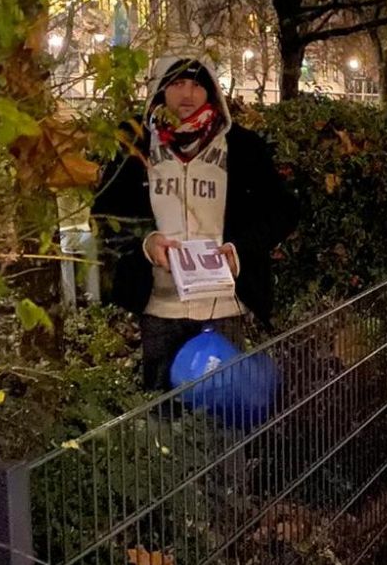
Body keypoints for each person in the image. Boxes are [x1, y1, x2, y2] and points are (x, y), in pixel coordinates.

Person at [94, 56, 299, 391]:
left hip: (223, 304)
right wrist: (147, 241)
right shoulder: (136, 145)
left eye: (197, 84)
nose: (187, 94)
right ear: (160, 90)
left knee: (224, 409)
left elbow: (283, 210)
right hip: (160, 305)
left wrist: (239, 251)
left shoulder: (242, 147)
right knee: (164, 413)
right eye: (176, 84)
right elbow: (107, 212)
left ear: (212, 92)